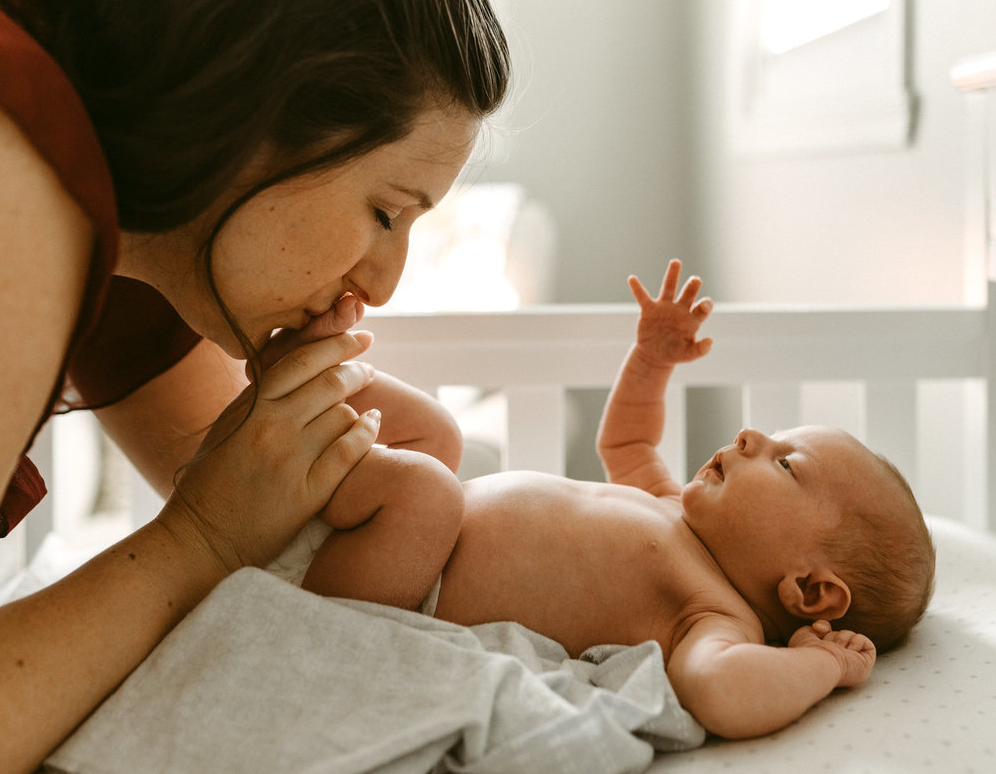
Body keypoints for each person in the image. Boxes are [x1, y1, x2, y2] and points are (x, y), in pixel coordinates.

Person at [0, 0, 507, 770]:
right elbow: (226, 527)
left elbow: (285, 520)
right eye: (385, 212)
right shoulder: (5, 149)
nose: (383, 284)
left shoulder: (149, 247)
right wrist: (198, 542)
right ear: (256, 113)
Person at [276, 260, 937, 740]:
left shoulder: (714, 615)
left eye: (786, 462)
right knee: (439, 436)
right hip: (394, 531)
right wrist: (651, 361)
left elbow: (721, 692)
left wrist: (819, 665)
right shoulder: (671, 506)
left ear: (809, 589)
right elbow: (626, 439)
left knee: (428, 489)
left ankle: (306, 428)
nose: (750, 434)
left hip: (396, 586)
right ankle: (302, 372)